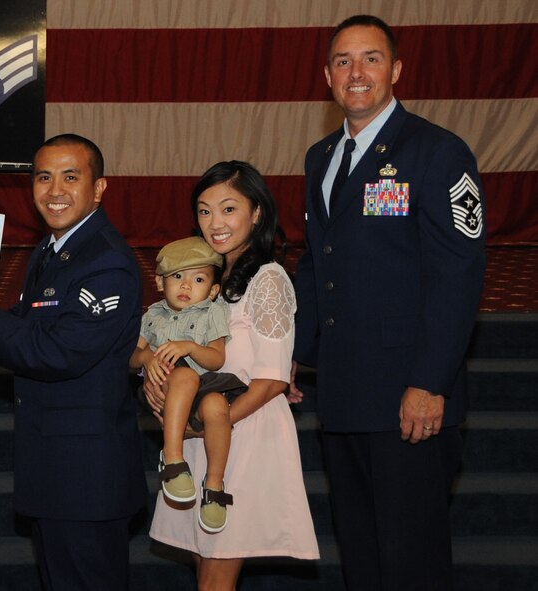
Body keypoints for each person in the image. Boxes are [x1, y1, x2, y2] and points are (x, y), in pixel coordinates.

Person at [292, 15, 486, 590]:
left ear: (396, 70)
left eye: (371, 58)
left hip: (411, 400)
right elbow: (315, 264)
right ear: (327, 75)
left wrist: (431, 382)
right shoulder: (320, 157)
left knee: (411, 565)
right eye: (344, 61)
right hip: (345, 394)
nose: (357, 73)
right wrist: (293, 356)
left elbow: (458, 275)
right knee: (364, 561)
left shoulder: (438, 153)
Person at [0, 134, 147, 591]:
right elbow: (28, 332)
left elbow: (59, 351)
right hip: (55, 472)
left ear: (99, 188)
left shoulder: (107, 261)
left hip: (86, 479)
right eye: (43, 177)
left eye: (70, 176)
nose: (54, 190)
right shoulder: (52, 249)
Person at [147, 161, 319, 590]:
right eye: (204, 211)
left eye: (228, 209)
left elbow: (273, 380)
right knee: (203, 566)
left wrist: (201, 427)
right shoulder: (204, 279)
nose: (214, 223)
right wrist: (156, 378)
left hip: (242, 436)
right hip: (194, 442)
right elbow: (170, 341)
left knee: (216, 579)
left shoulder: (269, 279)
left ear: (256, 212)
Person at [130, 236, 248, 533]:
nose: (185, 286)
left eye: (198, 279)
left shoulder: (213, 312)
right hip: (166, 384)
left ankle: (214, 485)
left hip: (204, 382)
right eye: (177, 277)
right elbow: (129, 358)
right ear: (159, 283)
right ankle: (172, 459)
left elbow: (216, 358)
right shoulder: (153, 315)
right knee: (185, 376)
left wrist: (190, 347)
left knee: (217, 405)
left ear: (213, 290)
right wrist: (145, 358)